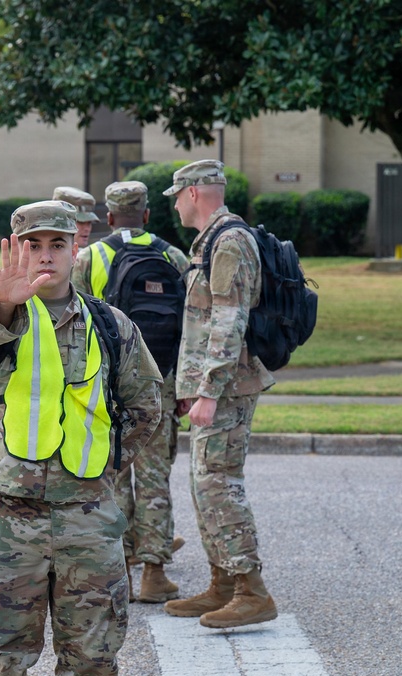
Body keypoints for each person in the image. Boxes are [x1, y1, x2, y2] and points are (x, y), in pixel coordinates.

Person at [0, 199, 162, 676]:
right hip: (11, 520)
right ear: (17, 250)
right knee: (2, 658)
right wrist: (4, 303)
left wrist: (107, 467)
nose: (45, 256)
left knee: (92, 660)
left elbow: (146, 406)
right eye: (33, 245)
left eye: (57, 244)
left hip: (89, 519)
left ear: (78, 248)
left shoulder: (112, 325)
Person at [160, 160, 279, 629]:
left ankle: (252, 590)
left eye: (177, 194)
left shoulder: (229, 241)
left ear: (193, 193)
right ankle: (223, 584)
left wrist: (208, 390)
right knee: (203, 484)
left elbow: (230, 322)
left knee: (219, 485)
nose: (173, 202)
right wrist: (192, 387)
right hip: (212, 386)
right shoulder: (210, 241)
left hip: (228, 388)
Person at [71, 180, 189, 604]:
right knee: (155, 478)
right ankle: (155, 574)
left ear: (107, 217)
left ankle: (118, 564)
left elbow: (77, 322)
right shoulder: (171, 255)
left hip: (110, 386)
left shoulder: (90, 257)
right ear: (145, 215)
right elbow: (189, 323)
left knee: (113, 476)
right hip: (161, 384)